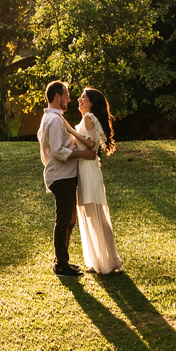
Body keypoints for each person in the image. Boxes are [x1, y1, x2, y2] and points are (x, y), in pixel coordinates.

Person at [37, 80, 96, 277]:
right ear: (57, 97)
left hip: (65, 175)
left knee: (69, 220)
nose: (69, 99)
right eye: (66, 96)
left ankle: (63, 262)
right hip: (61, 177)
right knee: (64, 220)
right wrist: (83, 154)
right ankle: (61, 265)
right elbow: (58, 152)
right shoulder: (54, 120)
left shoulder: (55, 118)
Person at [62, 87, 123, 274]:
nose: (79, 99)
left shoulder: (88, 118)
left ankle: (106, 261)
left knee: (94, 214)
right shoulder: (87, 118)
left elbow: (91, 144)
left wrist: (70, 129)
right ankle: (103, 260)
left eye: (83, 97)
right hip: (86, 169)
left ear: (92, 103)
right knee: (93, 215)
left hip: (88, 171)